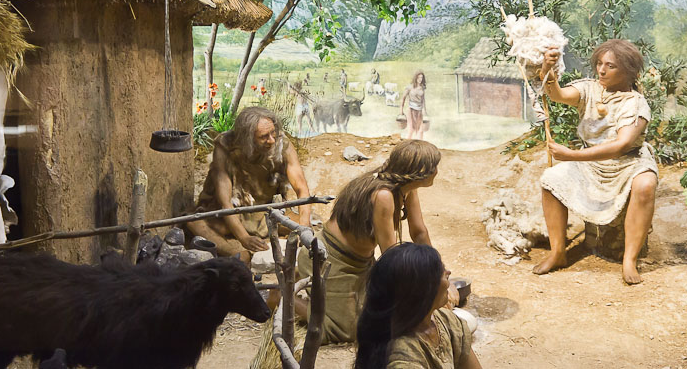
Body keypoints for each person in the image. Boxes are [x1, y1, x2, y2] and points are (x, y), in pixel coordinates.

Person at [530, 39, 658, 284]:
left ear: (628, 71)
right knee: (551, 179)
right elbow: (556, 94)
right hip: (592, 164)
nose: (601, 70)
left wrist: (571, 155)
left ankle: (629, 259)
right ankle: (558, 253)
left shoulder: (635, 103)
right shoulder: (590, 89)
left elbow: (621, 145)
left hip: (628, 164)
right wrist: (548, 69)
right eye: (599, 63)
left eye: (610, 66)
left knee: (645, 185)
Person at [293, 139, 443, 344]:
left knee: (379, 318)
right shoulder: (383, 196)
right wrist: (421, 292)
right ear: (419, 171)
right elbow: (391, 257)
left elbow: (419, 233)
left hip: (361, 265)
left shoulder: (406, 188)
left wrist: (438, 274)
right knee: (348, 331)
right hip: (330, 261)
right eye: (433, 167)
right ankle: (285, 298)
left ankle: (317, 291)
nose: (436, 171)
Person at [186, 107, 311, 264]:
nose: (272, 140)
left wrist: (304, 227)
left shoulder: (282, 144)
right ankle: (236, 252)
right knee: (194, 222)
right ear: (247, 138)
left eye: (273, 133)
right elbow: (225, 202)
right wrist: (243, 237)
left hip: (267, 212)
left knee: (305, 227)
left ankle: (249, 241)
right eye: (264, 137)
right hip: (231, 212)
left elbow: (301, 188)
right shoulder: (225, 146)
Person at [354, 243, 482, 369]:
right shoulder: (404, 356)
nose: (448, 273)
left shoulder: (447, 321)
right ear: (421, 291)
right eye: (440, 271)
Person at [400, 71, 428, 140]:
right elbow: (403, 98)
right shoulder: (409, 87)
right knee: (411, 129)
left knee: (420, 130)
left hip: (419, 110)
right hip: (411, 110)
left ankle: (420, 148)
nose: (420, 79)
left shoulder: (422, 87)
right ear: (415, 78)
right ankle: (406, 146)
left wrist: (424, 110)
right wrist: (401, 110)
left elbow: (423, 100)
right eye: (418, 77)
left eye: (421, 77)